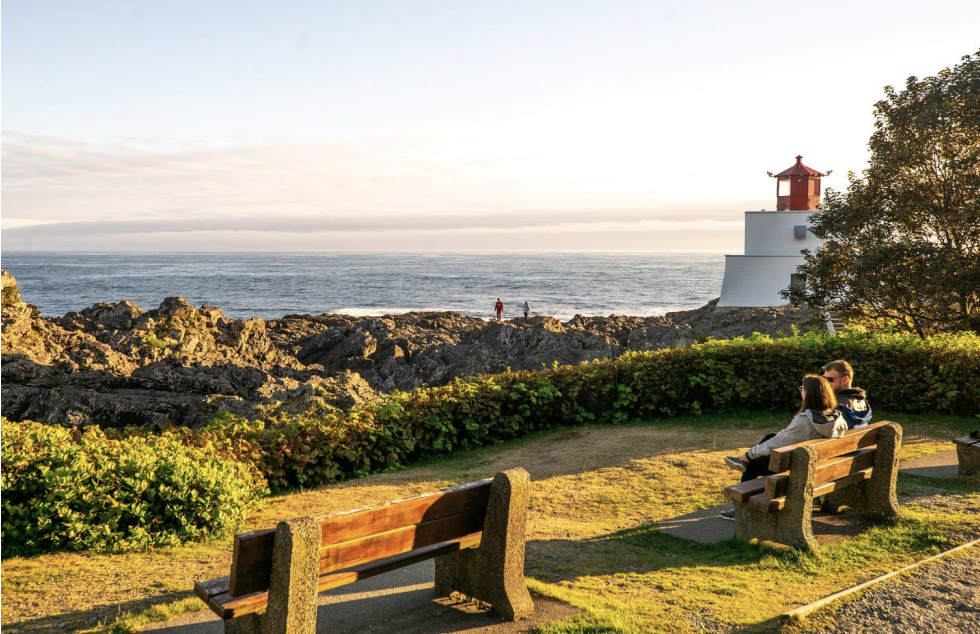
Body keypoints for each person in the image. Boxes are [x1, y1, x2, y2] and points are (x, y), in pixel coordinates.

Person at [720, 375, 847, 520]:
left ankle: (740, 510)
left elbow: (777, 443)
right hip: (821, 468)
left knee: (752, 465)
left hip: (799, 470)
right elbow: (781, 438)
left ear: (809, 393)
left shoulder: (805, 420)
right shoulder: (837, 417)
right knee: (771, 436)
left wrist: (750, 454)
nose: (801, 391)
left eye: (802, 388)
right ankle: (743, 462)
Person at [822, 360, 872, 429]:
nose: (826, 383)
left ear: (845, 379)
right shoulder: (862, 401)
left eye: (830, 379)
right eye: (824, 378)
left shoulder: (836, 405)